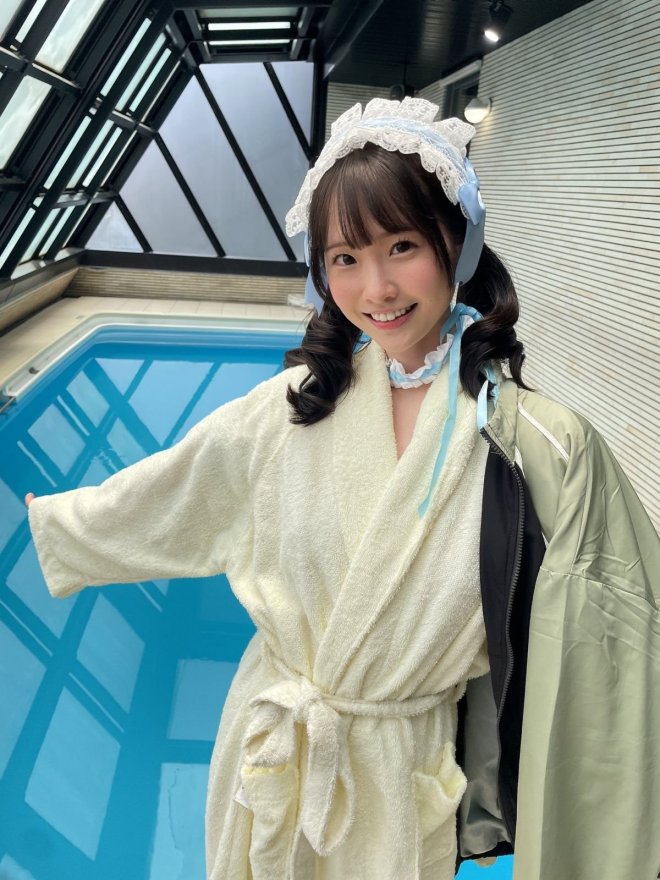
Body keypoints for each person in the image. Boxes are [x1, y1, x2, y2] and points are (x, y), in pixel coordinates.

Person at [25, 97, 659, 880]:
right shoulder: (290, 410)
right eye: (345, 258)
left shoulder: (538, 446)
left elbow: (620, 630)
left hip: (400, 779)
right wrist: (58, 523)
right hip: (274, 757)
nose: (377, 287)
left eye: (403, 246)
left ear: (458, 243)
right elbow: (169, 495)